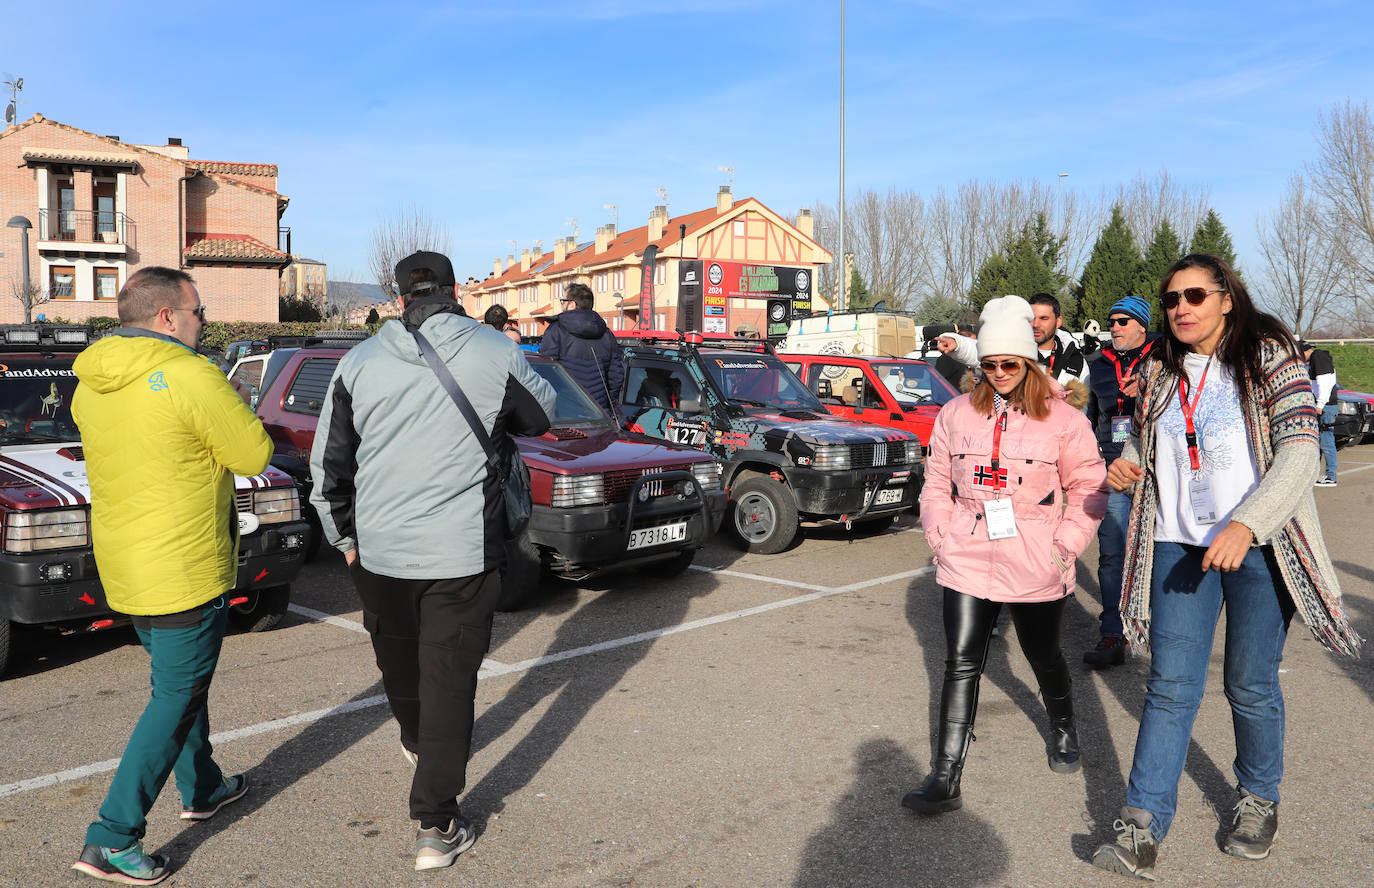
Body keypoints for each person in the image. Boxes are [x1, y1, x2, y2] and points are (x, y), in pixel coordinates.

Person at [1092, 254, 1362, 881]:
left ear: (1226, 299)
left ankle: (1258, 799)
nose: (1180, 308)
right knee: (1169, 686)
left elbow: (1297, 455)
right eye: (1171, 299)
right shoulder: (1159, 364)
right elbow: (1150, 437)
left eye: (1194, 296)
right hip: (1177, 543)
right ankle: (1142, 824)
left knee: (1250, 683)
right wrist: (1129, 462)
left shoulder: (1271, 357)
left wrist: (1247, 524)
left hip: (1260, 546)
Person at [310, 251, 555, 872]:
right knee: (448, 679)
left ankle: (420, 746)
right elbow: (542, 414)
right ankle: (436, 824)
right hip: (460, 552)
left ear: (398, 301)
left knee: (399, 661)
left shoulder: (357, 361)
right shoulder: (496, 350)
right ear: (455, 293)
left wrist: (344, 540)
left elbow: (328, 466)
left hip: (381, 551)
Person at [70, 267, 272, 885]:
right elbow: (254, 454)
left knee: (181, 684)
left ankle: (202, 785)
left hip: (127, 562)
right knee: (176, 695)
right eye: (199, 311)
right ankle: (113, 835)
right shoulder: (191, 374)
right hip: (184, 564)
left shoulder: (90, 382)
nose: (203, 321)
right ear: (166, 317)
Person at [904, 295, 1107, 815]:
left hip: (1036, 558)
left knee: (1044, 655)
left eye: (1009, 364)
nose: (998, 373)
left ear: (1029, 362)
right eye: (989, 364)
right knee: (959, 662)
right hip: (966, 555)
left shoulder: (1063, 419)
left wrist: (1064, 548)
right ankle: (946, 774)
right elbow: (935, 484)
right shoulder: (955, 414)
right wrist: (941, 538)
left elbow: (1089, 488)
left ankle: (1063, 728)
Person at [1081, 294, 1159, 668]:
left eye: (1123, 321)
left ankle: (1159, 633)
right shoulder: (1096, 365)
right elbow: (1090, 416)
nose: (1114, 327)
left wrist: (1145, 390)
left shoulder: (1165, 358)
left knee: (1158, 555)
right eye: (1111, 321)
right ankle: (1114, 633)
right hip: (1113, 471)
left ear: (1142, 325)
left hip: (1156, 473)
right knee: (1112, 556)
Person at [538, 282, 625, 414]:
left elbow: (546, 373)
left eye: (563, 301)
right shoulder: (606, 334)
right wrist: (610, 405)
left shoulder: (556, 330)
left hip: (563, 411)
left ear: (572, 304)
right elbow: (616, 376)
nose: (561, 305)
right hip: (599, 412)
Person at [1300, 340, 1340, 486]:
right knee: (1319, 441)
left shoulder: (1319, 359)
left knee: (1326, 441)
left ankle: (1331, 476)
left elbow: (1324, 383)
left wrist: (1320, 404)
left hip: (1325, 407)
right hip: (1324, 405)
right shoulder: (1319, 358)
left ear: (1305, 351)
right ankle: (1315, 474)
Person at [1029, 293, 1089, 386]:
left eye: (1044, 318)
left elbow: (1086, 399)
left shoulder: (1076, 361)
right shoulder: (1012, 356)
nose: (1036, 324)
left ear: (1058, 321)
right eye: (1032, 318)